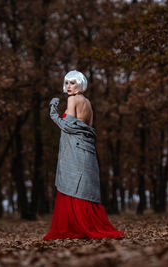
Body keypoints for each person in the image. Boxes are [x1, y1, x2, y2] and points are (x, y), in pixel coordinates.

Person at [43, 70, 124, 240]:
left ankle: (77, 228)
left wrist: (52, 111)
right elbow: (88, 127)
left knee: (72, 184)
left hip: (75, 150)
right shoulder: (88, 102)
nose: (69, 87)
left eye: (73, 83)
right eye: (67, 83)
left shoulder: (73, 99)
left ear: (80, 83)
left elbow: (68, 126)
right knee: (83, 187)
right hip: (88, 150)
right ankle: (84, 226)